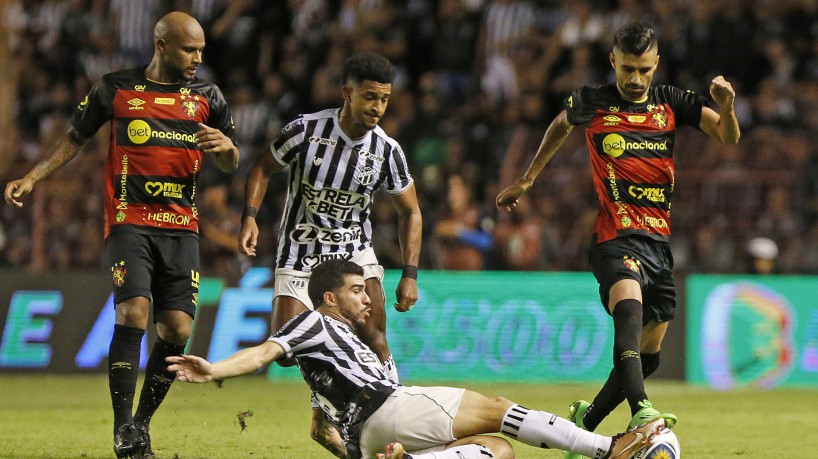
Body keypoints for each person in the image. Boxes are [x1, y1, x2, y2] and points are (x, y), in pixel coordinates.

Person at [495, 21, 740, 458]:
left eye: (644, 69)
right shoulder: (593, 100)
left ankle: (585, 423)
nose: (636, 79)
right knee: (629, 310)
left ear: (656, 64)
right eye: (628, 68)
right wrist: (528, 179)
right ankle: (642, 410)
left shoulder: (672, 102)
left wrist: (728, 108)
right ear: (613, 61)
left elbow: (726, 136)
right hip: (614, 235)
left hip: (658, 242)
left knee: (650, 353)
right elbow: (559, 125)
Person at [4, 12, 239, 459]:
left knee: (177, 328)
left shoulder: (209, 96)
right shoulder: (115, 88)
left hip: (181, 227)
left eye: (202, 51)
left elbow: (230, 159)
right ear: (162, 45)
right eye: (190, 50)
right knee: (133, 312)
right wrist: (33, 177)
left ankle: (143, 425)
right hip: (129, 220)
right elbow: (75, 138)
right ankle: (122, 430)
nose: (198, 58)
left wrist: (228, 150)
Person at [167, 259, 664, 459]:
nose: (366, 299)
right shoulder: (313, 323)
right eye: (356, 291)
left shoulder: (337, 357)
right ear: (329, 299)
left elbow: (320, 430)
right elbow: (264, 351)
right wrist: (214, 368)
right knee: (499, 410)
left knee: (497, 450)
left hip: (368, 438)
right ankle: (609, 448)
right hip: (390, 407)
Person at [237, 51, 422, 456]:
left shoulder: (387, 151)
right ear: (347, 93)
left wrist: (410, 272)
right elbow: (260, 168)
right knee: (288, 352)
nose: (377, 107)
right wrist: (250, 217)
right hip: (299, 254)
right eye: (370, 97)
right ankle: (324, 414)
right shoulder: (304, 131)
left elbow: (411, 211)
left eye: (385, 99)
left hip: (352, 252)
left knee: (374, 335)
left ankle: (396, 424)